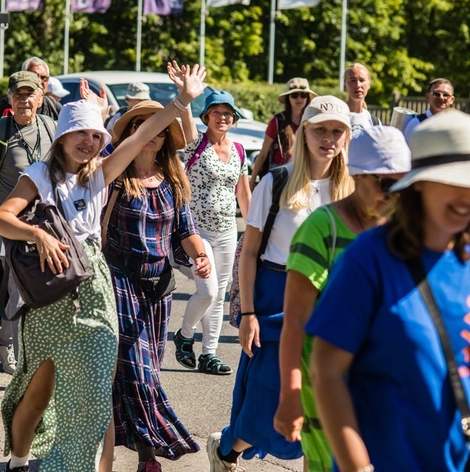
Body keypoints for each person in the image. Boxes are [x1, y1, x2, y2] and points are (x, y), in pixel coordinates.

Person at [0, 63, 206, 472]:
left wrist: (183, 101)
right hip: (50, 290)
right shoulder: (38, 175)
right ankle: (18, 461)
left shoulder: (101, 174)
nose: (88, 142)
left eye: (95, 135)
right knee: (40, 388)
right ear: (63, 136)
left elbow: (142, 133)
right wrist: (38, 234)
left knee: (98, 389)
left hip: (94, 289)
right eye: (81, 134)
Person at [307, 111, 470, 471]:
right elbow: (326, 371)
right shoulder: (368, 259)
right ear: (419, 183)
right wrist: (357, 466)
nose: (465, 196)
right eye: (453, 182)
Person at [207, 96, 353, 470]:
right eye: (320, 129)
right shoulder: (276, 182)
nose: (329, 138)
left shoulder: (352, 190)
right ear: (304, 131)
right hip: (275, 300)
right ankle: (227, 448)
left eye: (337, 131)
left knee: (319, 412)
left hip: (330, 304)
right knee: (265, 402)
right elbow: (251, 251)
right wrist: (249, 313)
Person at [274, 126, 411, 471]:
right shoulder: (322, 228)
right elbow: (295, 320)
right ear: (357, 174)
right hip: (324, 383)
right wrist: (290, 394)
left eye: (405, 184)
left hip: (384, 382)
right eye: (385, 183)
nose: (395, 194)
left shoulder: (404, 230)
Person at [104, 92, 209, 470]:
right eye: (140, 126)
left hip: (158, 288)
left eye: (160, 129)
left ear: (166, 137)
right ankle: (153, 448)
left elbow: (186, 228)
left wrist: (199, 255)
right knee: (137, 370)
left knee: (145, 371)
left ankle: (142, 457)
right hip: (119, 281)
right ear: (131, 132)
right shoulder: (115, 175)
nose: (151, 133)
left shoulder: (171, 180)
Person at [0, 71, 56, 375]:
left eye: (30, 94)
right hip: (8, 222)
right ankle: (21, 362)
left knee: (39, 290)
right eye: (18, 95)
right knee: (18, 286)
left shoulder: (51, 129)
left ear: (40, 98)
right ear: (9, 99)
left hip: (45, 224)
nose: (24, 100)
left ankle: (5, 340)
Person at [173, 90, 251, 376]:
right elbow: (185, 117)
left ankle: (209, 354)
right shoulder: (196, 144)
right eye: (217, 112)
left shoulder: (239, 150)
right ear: (206, 116)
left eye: (228, 112)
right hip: (197, 229)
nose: (223, 117)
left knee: (219, 296)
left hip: (228, 229)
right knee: (207, 291)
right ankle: (184, 334)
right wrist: (186, 93)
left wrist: (256, 227)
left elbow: (243, 192)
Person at [250, 78, 316, 188]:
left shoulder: (312, 121)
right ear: (288, 98)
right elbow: (263, 153)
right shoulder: (277, 121)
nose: (299, 98)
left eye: (303, 95)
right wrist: (252, 181)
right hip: (279, 176)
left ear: (307, 98)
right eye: (294, 95)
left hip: (303, 176)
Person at [0, 57, 62, 129]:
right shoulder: (2, 110)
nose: (39, 81)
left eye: (43, 78)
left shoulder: (55, 109)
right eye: (34, 76)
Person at [343, 63, 379, 138]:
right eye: (352, 81)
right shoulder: (338, 115)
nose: (358, 85)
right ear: (345, 85)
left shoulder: (374, 121)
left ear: (369, 84)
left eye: (362, 80)